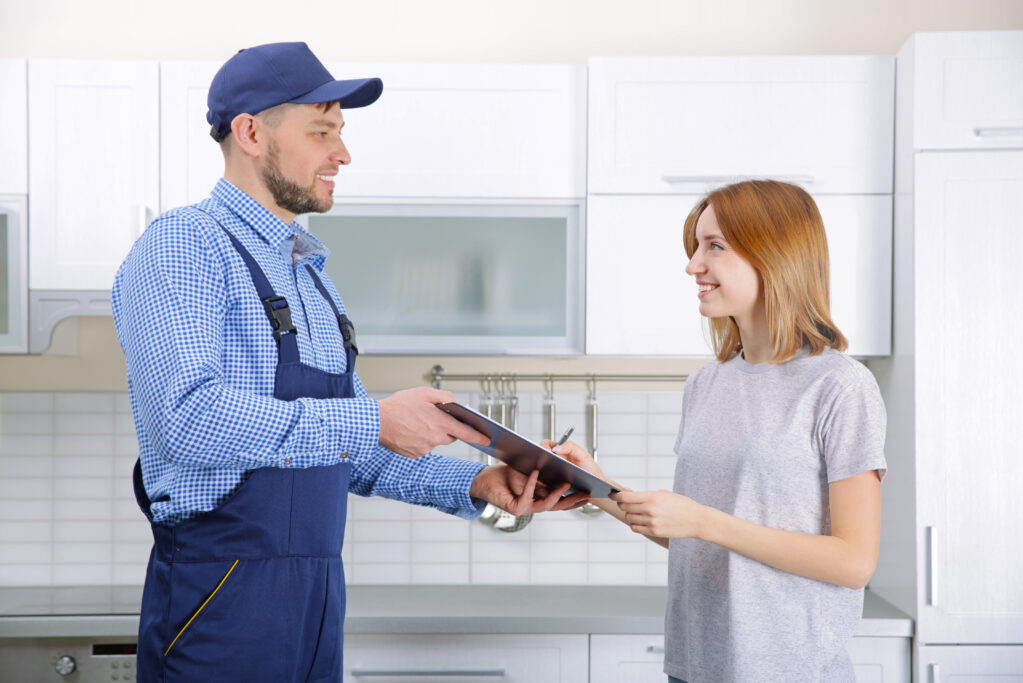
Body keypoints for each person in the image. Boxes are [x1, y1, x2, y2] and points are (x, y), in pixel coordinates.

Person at [112, 41, 589, 683]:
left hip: (316, 603)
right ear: (251, 133)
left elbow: (349, 450)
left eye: (340, 132)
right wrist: (375, 420)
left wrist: (475, 486)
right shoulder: (183, 246)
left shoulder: (309, 272)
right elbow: (187, 419)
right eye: (321, 131)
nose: (343, 153)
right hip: (217, 603)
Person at [549, 180, 887, 682]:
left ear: (775, 255)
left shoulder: (840, 386)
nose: (692, 265)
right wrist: (594, 484)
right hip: (694, 666)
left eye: (715, 247)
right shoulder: (707, 383)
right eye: (696, 246)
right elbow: (695, 534)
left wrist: (704, 521)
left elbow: (854, 562)